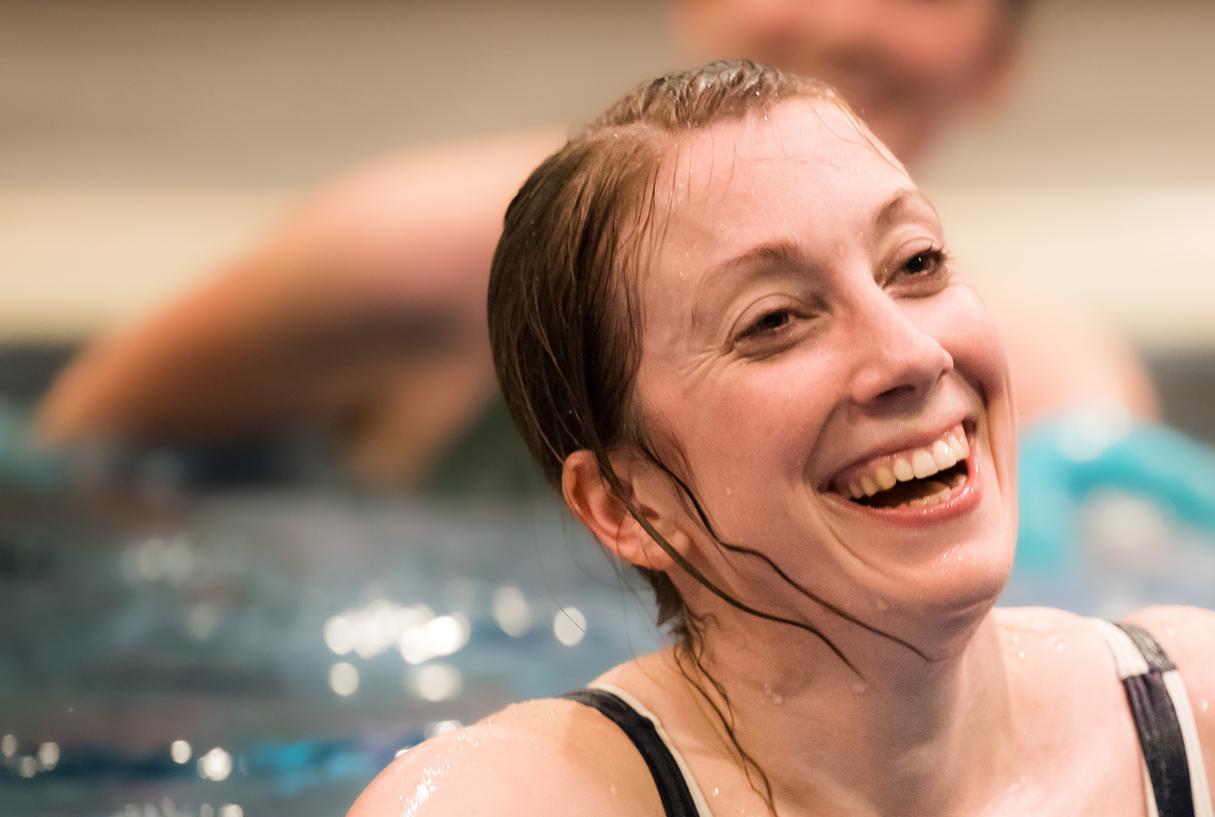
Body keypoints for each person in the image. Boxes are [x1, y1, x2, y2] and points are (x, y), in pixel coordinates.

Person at [0, 60, 1215, 817]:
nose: (909, 355)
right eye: (776, 321)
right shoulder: (536, 814)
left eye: (914, 265)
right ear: (624, 506)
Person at [33, 0, 1156, 487]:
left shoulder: (1048, 381)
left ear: (995, 63)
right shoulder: (413, 255)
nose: (841, 24)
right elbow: (72, 469)